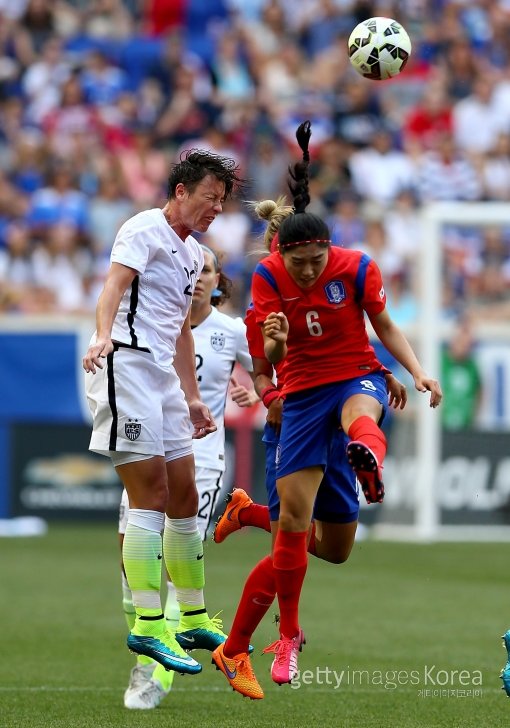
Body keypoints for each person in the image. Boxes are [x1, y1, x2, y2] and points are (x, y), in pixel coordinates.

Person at [211, 121, 442, 696]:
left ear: (328, 249)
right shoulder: (266, 280)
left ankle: (360, 455)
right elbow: (264, 362)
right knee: (297, 529)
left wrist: (416, 371)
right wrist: (276, 350)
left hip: (354, 376)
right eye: (300, 263)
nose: (309, 272)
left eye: (317, 261)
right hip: (300, 401)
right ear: (281, 253)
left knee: (362, 414)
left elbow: (384, 324)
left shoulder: (357, 267)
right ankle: (280, 636)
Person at [82, 150, 243, 684]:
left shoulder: (194, 255)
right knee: (148, 493)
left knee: (184, 493)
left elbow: (179, 330)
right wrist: (103, 334)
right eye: (209, 197)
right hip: (124, 364)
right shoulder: (143, 229)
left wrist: (194, 398)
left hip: (166, 382)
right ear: (180, 192)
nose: (216, 207)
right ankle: (150, 623)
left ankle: (192, 615)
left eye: (221, 200)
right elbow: (113, 286)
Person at [119, 244, 259, 709]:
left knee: (177, 562)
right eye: (193, 270)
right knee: (131, 562)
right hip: (150, 453)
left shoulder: (231, 331)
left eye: (207, 272)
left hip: (201, 459)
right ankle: (149, 643)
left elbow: (270, 374)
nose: (198, 278)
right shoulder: (158, 322)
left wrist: (253, 392)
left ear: (219, 282)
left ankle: (154, 676)